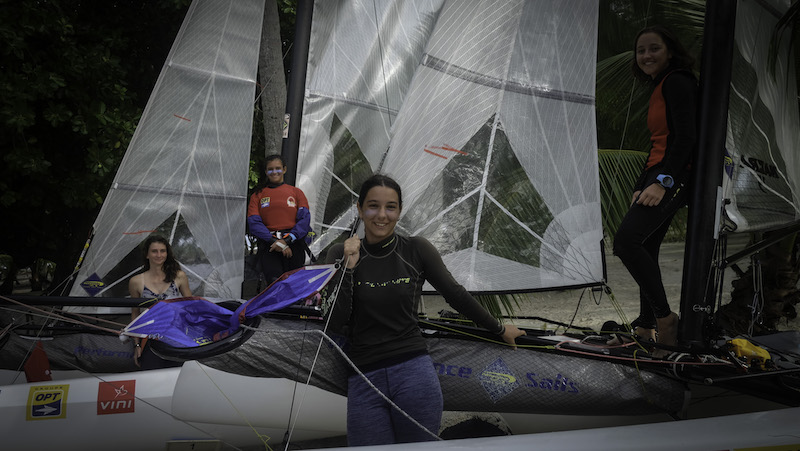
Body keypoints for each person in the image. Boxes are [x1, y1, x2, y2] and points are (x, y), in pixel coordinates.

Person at [325, 174, 526, 446]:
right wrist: (348, 269)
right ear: (360, 210)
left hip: (413, 374)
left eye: (391, 207)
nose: (381, 215)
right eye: (373, 206)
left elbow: (455, 295)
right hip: (364, 378)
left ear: (399, 210)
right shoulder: (340, 252)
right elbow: (335, 322)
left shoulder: (415, 249)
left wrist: (499, 328)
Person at [612, 25, 698, 356]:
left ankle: (665, 320)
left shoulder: (678, 81)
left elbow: (686, 139)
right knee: (645, 246)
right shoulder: (661, 84)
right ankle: (645, 327)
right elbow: (658, 143)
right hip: (658, 173)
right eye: (641, 50)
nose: (646, 55)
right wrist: (640, 186)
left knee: (626, 242)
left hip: (674, 176)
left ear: (670, 51)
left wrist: (663, 183)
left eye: (654, 49)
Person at [247, 154, 312, 285]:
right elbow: (254, 224)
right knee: (275, 283)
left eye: (278, 168)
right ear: (266, 172)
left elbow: (304, 220)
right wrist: (277, 243)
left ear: (284, 169)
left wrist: (286, 240)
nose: (274, 172)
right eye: (270, 169)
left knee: (295, 284)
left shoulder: (296, 192)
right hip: (269, 245)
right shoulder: (257, 195)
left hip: (294, 245)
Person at [128, 235, 192, 369]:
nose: (159, 255)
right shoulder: (136, 281)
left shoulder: (179, 276)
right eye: (154, 251)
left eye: (162, 251)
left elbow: (191, 307)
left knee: (178, 376)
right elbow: (135, 314)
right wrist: (137, 345)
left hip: (177, 337)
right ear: (147, 254)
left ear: (167, 254)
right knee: (151, 377)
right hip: (150, 339)